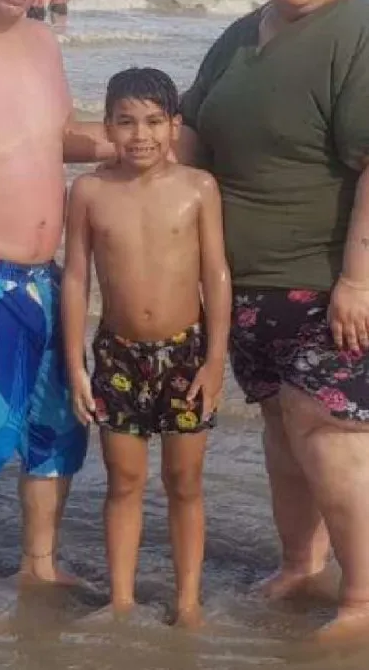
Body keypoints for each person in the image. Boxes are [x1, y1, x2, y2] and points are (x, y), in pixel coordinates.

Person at [177, 0, 369, 642]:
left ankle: (360, 598)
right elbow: (189, 134)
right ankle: (299, 565)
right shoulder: (235, 34)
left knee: (327, 430)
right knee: (279, 431)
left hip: (326, 278)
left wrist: (358, 279)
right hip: (245, 282)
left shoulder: (355, 29)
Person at [0, 0, 115, 629]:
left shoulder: (41, 37)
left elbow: (55, 135)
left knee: (53, 432)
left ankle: (39, 564)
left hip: (44, 278)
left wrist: (130, 141)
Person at [61, 67, 231, 627]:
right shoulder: (88, 190)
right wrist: (76, 364)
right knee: (123, 482)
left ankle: (187, 603)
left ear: (174, 125)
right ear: (107, 126)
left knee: (184, 483)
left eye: (155, 122)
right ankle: (122, 601)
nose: (141, 135)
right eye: (126, 122)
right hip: (118, 353)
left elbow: (217, 275)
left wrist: (213, 362)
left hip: (186, 353)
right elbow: (76, 280)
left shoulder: (198, 187)